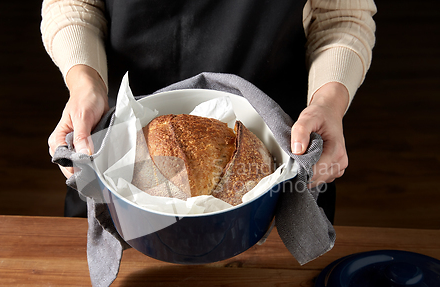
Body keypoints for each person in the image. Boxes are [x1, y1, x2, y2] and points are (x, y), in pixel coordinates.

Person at [41, 0, 377, 220]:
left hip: (277, 159)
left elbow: (341, 15)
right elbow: (73, 5)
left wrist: (328, 103)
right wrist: (86, 84)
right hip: (119, 163)